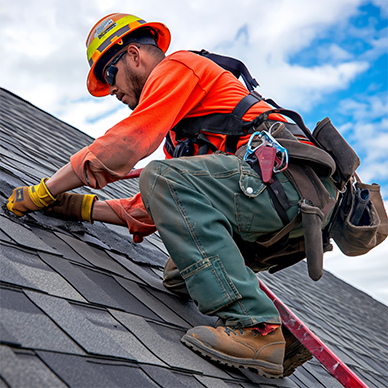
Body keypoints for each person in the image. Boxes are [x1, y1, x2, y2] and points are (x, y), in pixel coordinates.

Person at [7, 13, 338, 378]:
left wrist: (45, 189)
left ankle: (257, 328)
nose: (112, 90)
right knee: (179, 272)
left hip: (288, 185)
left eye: (109, 75)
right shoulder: (182, 137)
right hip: (285, 205)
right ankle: (265, 325)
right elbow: (155, 208)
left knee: (160, 177)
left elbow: (126, 145)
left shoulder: (178, 66)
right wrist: (81, 207)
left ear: (133, 55)